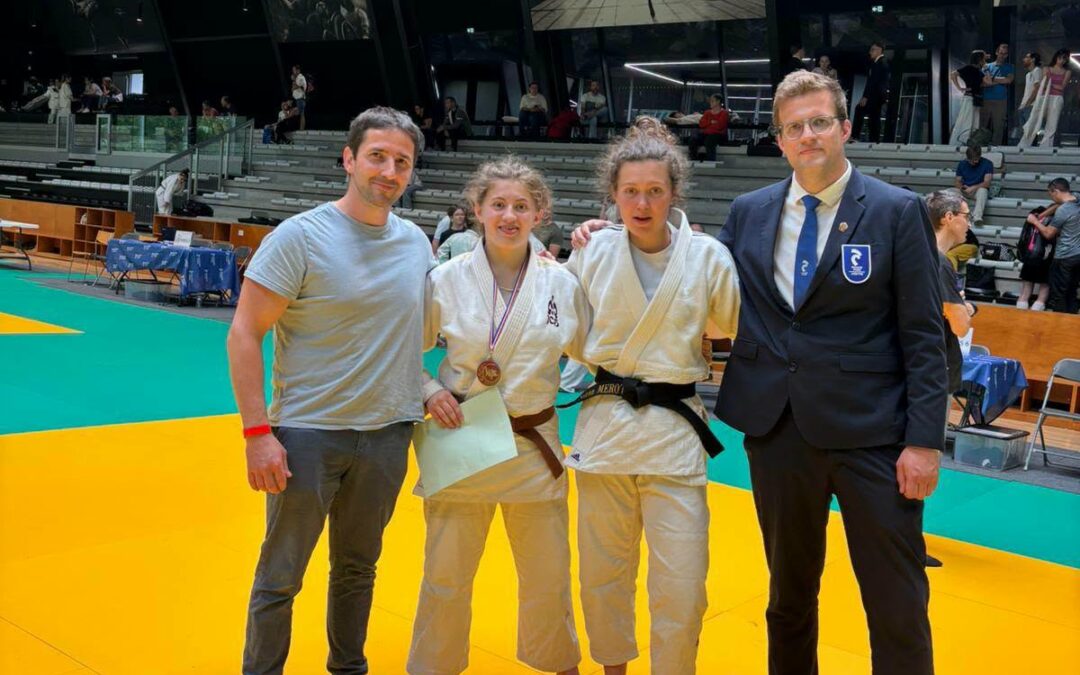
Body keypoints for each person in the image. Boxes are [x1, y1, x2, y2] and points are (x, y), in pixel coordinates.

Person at [712, 71, 944, 675]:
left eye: (819, 122)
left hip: (875, 436)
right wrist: (607, 237)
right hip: (779, 429)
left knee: (896, 601)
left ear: (844, 128)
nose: (807, 135)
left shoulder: (897, 211)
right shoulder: (749, 212)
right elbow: (697, 281)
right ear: (780, 141)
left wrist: (924, 441)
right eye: (794, 127)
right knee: (788, 599)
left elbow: (924, 335)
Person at [228, 107, 431, 675]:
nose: (388, 171)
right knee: (281, 575)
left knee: (358, 569)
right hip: (308, 435)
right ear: (348, 159)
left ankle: (349, 668)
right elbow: (244, 334)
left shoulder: (416, 243)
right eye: (377, 157)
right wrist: (256, 434)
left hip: (389, 434)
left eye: (401, 162)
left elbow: (423, 329)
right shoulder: (300, 237)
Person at [564, 117, 741, 674]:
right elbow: (561, 331)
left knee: (683, 585)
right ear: (612, 195)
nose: (642, 203)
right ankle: (612, 668)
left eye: (655, 191)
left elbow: (736, 327)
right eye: (630, 192)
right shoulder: (591, 252)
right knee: (601, 574)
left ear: (674, 193)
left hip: (673, 433)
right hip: (606, 429)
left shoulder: (709, 256)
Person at [407, 156, 587, 675]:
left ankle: (557, 661)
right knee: (446, 570)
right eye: (499, 205)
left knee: (548, 571)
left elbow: (594, 351)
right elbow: (404, 350)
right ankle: (434, 666)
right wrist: (427, 389)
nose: (510, 216)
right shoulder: (445, 279)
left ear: (540, 213)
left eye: (521, 206)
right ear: (478, 210)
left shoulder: (562, 284)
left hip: (535, 440)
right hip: (461, 432)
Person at [926, 190, 977, 395]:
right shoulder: (940, 262)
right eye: (966, 217)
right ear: (949, 217)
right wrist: (964, 308)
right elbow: (961, 327)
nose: (969, 224)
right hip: (933, 368)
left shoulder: (910, 253)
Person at [1028, 178, 1080, 313]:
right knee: (1072, 293)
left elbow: (1049, 233)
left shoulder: (1063, 210)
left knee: (1059, 296)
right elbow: (1059, 204)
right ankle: (1072, 327)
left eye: (1051, 194)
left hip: (1064, 257)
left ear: (1056, 191)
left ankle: (1059, 327)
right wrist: (1043, 214)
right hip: (1077, 256)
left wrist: (1035, 221)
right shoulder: (1077, 198)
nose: (1051, 198)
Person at [1019, 48, 1072, 148]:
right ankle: (1024, 144)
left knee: (1052, 124)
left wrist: (1050, 84)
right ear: (1056, 57)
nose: (1061, 60)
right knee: (1034, 119)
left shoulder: (1067, 71)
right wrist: (1051, 85)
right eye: (1060, 58)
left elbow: (1062, 87)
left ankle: (1046, 146)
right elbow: (1044, 83)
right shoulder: (1047, 68)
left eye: (1064, 59)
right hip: (1044, 97)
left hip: (1057, 98)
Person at [1016, 206, 1054, 310]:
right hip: (1047, 254)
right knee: (1044, 284)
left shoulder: (1034, 215)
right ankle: (1038, 305)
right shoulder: (1054, 219)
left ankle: (1022, 305)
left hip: (1031, 253)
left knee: (1026, 287)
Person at [852, 41, 890, 143]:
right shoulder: (879, 63)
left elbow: (873, 82)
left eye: (872, 50)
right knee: (874, 117)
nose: (870, 52)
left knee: (860, 110)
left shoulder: (880, 63)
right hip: (877, 95)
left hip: (875, 95)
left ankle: (856, 136)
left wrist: (865, 97)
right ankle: (874, 140)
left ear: (879, 50)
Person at [950, 50, 990, 145]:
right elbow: (953, 74)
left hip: (976, 99)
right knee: (966, 121)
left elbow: (988, 82)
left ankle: (969, 142)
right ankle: (959, 142)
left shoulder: (979, 71)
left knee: (974, 122)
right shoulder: (968, 68)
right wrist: (960, 88)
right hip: (969, 98)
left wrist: (986, 68)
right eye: (983, 58)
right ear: (979, 59)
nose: (985, 60)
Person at [980, 43, 1014, 145]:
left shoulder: (1010, 67)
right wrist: (1000, 80)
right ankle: (980, 147)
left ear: (1007, 55)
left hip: (1001, 101)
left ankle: (996, 149)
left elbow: (1008, 80)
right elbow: (982, 83)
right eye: (1001, 53)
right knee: (982, 125)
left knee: (999, 126)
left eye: (1005, 54)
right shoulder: (987, 66)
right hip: (986, 100)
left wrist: (991, 80)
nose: (1002, 55)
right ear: (996, 52)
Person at [954, 145, 993, 226]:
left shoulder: (988, 164)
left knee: (983, 190)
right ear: (968, 159)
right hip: (965, 190)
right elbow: (957, 181)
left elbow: (987, 183)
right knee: (949, 191)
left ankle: (977, 217)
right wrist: (962, 188)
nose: (976, 162)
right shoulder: (962, 164)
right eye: (973, 160)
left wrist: (972, 188)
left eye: (977, 159)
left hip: (977, 191)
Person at [689, 94, 729, 161]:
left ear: (718, 101)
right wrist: (711, 122)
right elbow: (701, 124)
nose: (710, 102)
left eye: (712, 101)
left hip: (718, 135)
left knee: (710, 140)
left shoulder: (724, 113)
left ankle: (710, 160)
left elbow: (720, 126)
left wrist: (707, 125)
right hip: (706, 134)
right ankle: (693, 159)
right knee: (693, 140)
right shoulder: (707, 112)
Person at [1016, 52, 1043, 140]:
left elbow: (1037, 88)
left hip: (1031, 106)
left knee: (1029, 132)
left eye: (1027, 57)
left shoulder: (1037, 70)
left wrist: (1028, 103)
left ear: (1033, 59)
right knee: (1023, 132)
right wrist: (1022, 105)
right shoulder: (1028, 75)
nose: (1024, 59)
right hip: (1024, 106)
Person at [290, 65, 307, 131]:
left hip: (300, 99)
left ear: (298, 70)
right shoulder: (297, 78)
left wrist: (294, 80)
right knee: (300, 114)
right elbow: (292, 89)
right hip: (297, 99)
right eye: (293, 70)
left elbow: (297, 86)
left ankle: (301, 130)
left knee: (298, 114)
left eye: (294, 70)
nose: (293, 71)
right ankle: (300, 129)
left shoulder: (301, 77)